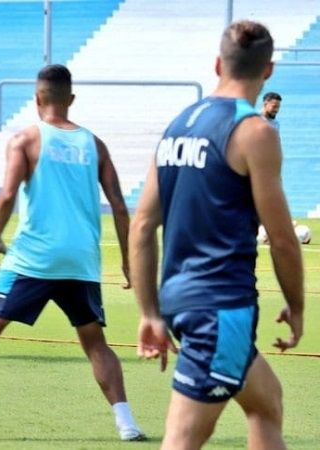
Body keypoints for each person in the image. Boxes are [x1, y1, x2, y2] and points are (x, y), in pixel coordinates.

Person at [0, 64, 146, 442]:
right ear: (70, 99)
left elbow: (7, 195)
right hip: (82, 260)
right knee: (95, 342)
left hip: (33, 258)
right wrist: (127, 262)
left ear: (37, 99)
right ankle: (127, 424)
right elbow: (119, 206)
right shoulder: (94, 144)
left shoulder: (26, 140)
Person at [130, 20, 304, 449]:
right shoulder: (255, 132)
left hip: (179, 300)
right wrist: (297, 306)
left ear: (216, 64)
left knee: (267, 402)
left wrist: (150, 312)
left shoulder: (179, 124)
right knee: (182, 439)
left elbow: (142, 225)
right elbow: (282, 239)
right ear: (268, 70)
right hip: (220, 309)